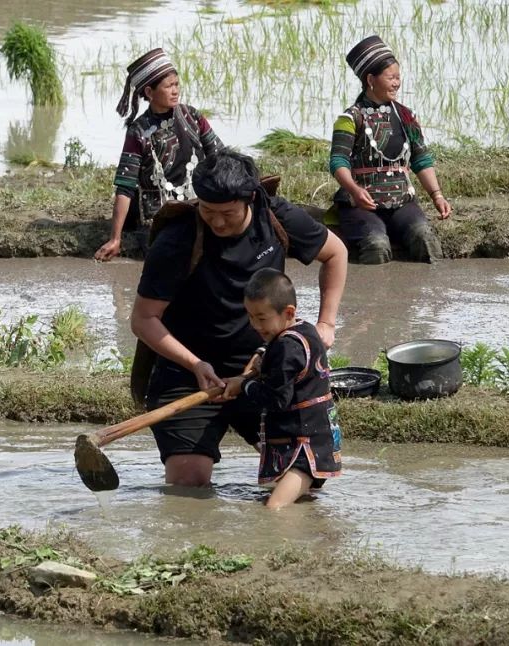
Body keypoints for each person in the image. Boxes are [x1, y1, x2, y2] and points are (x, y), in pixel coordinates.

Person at [131, 149, 347, 488]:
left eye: (227, 213)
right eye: (207, 210)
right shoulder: (178, 239)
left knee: (299, 479)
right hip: (190, 376)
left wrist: (326, 325)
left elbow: (336, 253)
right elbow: (143, 320)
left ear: (250, 199)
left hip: (263, 375)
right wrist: (196, 365)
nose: (216, 222)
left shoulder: (276, 218)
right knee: (188, 486)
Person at [223, 268, 342, 510]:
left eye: (262, 318)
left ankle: (288, 544)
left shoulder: (286, 348)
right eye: (250, 316)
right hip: (316, 438)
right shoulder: (305, 330)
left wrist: (244, 384)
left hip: (303, 448)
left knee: (274, 508)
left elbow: (277, 399)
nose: (255, 325)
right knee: (299, 504)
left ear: (288, 312)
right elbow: (280, 354)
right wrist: (262, 356)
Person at [329, 35, 451, 264]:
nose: (397, 83)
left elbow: (421, 159)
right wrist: (355, 191)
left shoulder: (406, 116)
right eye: (391, 77)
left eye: (398, 77)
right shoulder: (349, 119)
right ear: (371, 79)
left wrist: (437, 195)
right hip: (360, 205)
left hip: (401, 203)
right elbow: (337, 162)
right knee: (377, 245)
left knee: (425, 239)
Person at [95, 48, 224, 262]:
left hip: (198, 203)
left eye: (176, 84)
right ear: (149, 92)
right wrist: (115, 238)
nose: (175, 91)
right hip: (158, 215)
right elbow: (125, 187)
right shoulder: (138, 132)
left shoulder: (191, 116)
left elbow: (220, 156)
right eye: (168, 86)